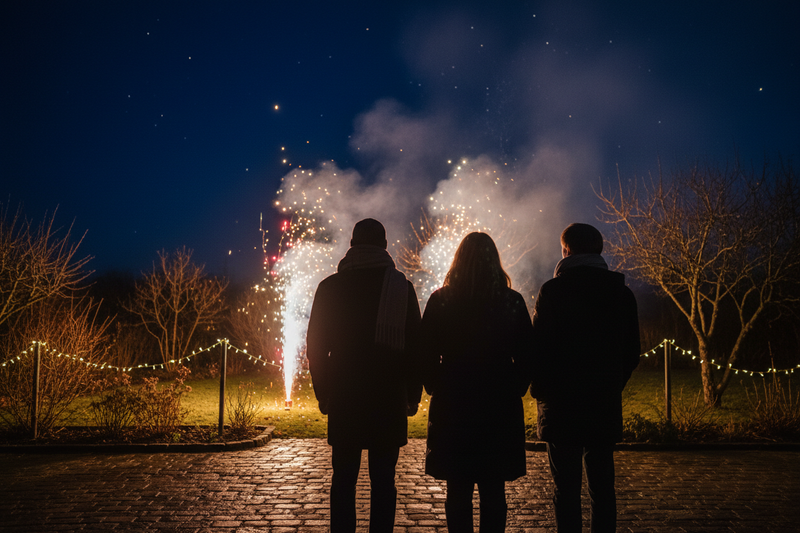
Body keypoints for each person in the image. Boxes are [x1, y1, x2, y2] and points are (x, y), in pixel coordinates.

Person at [306, 218, 422, 533]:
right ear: (385, 246)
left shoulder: (330, 286)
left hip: (345, 396)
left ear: (352, 245)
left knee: (343, 478)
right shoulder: (401, 286)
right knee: (384, 480)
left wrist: (324, 393)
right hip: (388, 396)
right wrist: (412, 396)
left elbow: (315, 347)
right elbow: (415, 348)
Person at [530, 223, 640, 533]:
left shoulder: (552, 291)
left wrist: (542, 392)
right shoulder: (621, 293)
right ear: (599, 250)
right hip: (602, 403)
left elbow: (540, 349)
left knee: (565, 490)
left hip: (561, 405)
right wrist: (611, 385)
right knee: (603, 488)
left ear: (565, 250)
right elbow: (632, 353)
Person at [420, 232, 532, 532]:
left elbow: (425, 353)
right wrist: (514, 387)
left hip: (453, 403)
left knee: (458, 488)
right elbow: (527, 355)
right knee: (494, 488)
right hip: (499, 403)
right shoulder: (511, 301)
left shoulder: (442, 300)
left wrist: (436, 385)